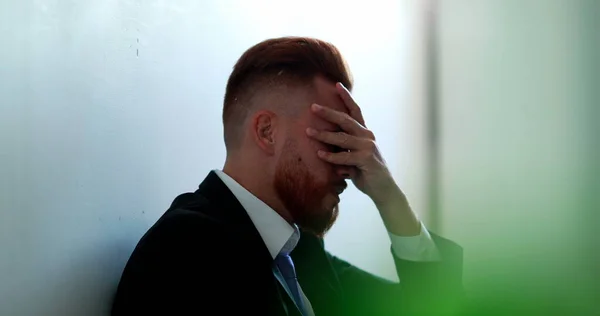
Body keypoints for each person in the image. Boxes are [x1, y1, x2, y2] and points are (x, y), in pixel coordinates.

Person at [111, 36, 464, 316]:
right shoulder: (186, 252)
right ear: (267, 132)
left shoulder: (299, 252)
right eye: (333, 137)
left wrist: (389, 196)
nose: (349, 165)